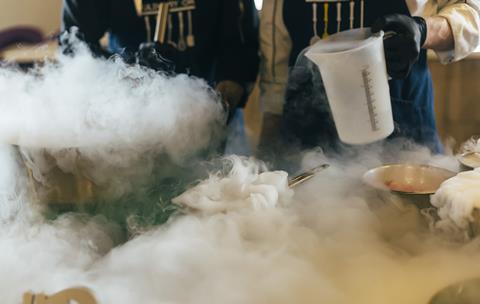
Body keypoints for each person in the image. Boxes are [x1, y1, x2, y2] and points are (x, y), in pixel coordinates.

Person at [258, 0, 480, 158]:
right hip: (308, 137)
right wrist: (268, 149)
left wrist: (424, 30)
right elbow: (274, 56)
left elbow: (471, 15)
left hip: (402, 131)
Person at [61, 0, 260, 155]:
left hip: (215, 114)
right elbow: (75, 46)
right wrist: (127, 67)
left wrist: (221, 103)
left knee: (227, 196)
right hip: (129, 118)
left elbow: (242, 44)